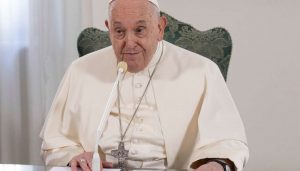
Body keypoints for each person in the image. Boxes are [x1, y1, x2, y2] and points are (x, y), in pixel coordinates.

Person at [40, 0, 249, 171]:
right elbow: (56, 142)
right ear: (108, 28)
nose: (129, 43)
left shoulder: (202, 71)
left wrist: (214, 165)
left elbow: (226, 142)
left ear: (160, 28)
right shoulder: (80, 70)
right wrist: (74, 157)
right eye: (119, 31)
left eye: (139, 30)